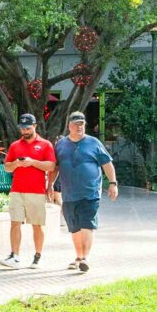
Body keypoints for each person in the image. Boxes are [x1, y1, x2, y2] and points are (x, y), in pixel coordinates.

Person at [50, 109, 118, 273]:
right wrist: (50, 184)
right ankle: (79, 257)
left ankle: (85, 258)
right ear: (69, 126)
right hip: (68, 194)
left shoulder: (94, 143)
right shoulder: (61, 145)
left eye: (82, 124)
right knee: (74, 228)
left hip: (90, 193)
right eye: (76, 124)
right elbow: (56, 167)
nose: (80, 127)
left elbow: (107, 164)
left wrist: (113, 183)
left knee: (87, 224)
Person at [0, 112, 55, 268]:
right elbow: (7, 167)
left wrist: (32, 162)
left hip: (36, 191)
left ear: (35, 126)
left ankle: (38, 256)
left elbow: (51, 166)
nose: (25, 131)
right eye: (22, 128)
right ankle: (14, 256)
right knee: (15, 223)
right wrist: (16, 164)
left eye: (28, 128)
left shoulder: (45, 144)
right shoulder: (15, 145)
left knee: (37, 225)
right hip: (16, 190)